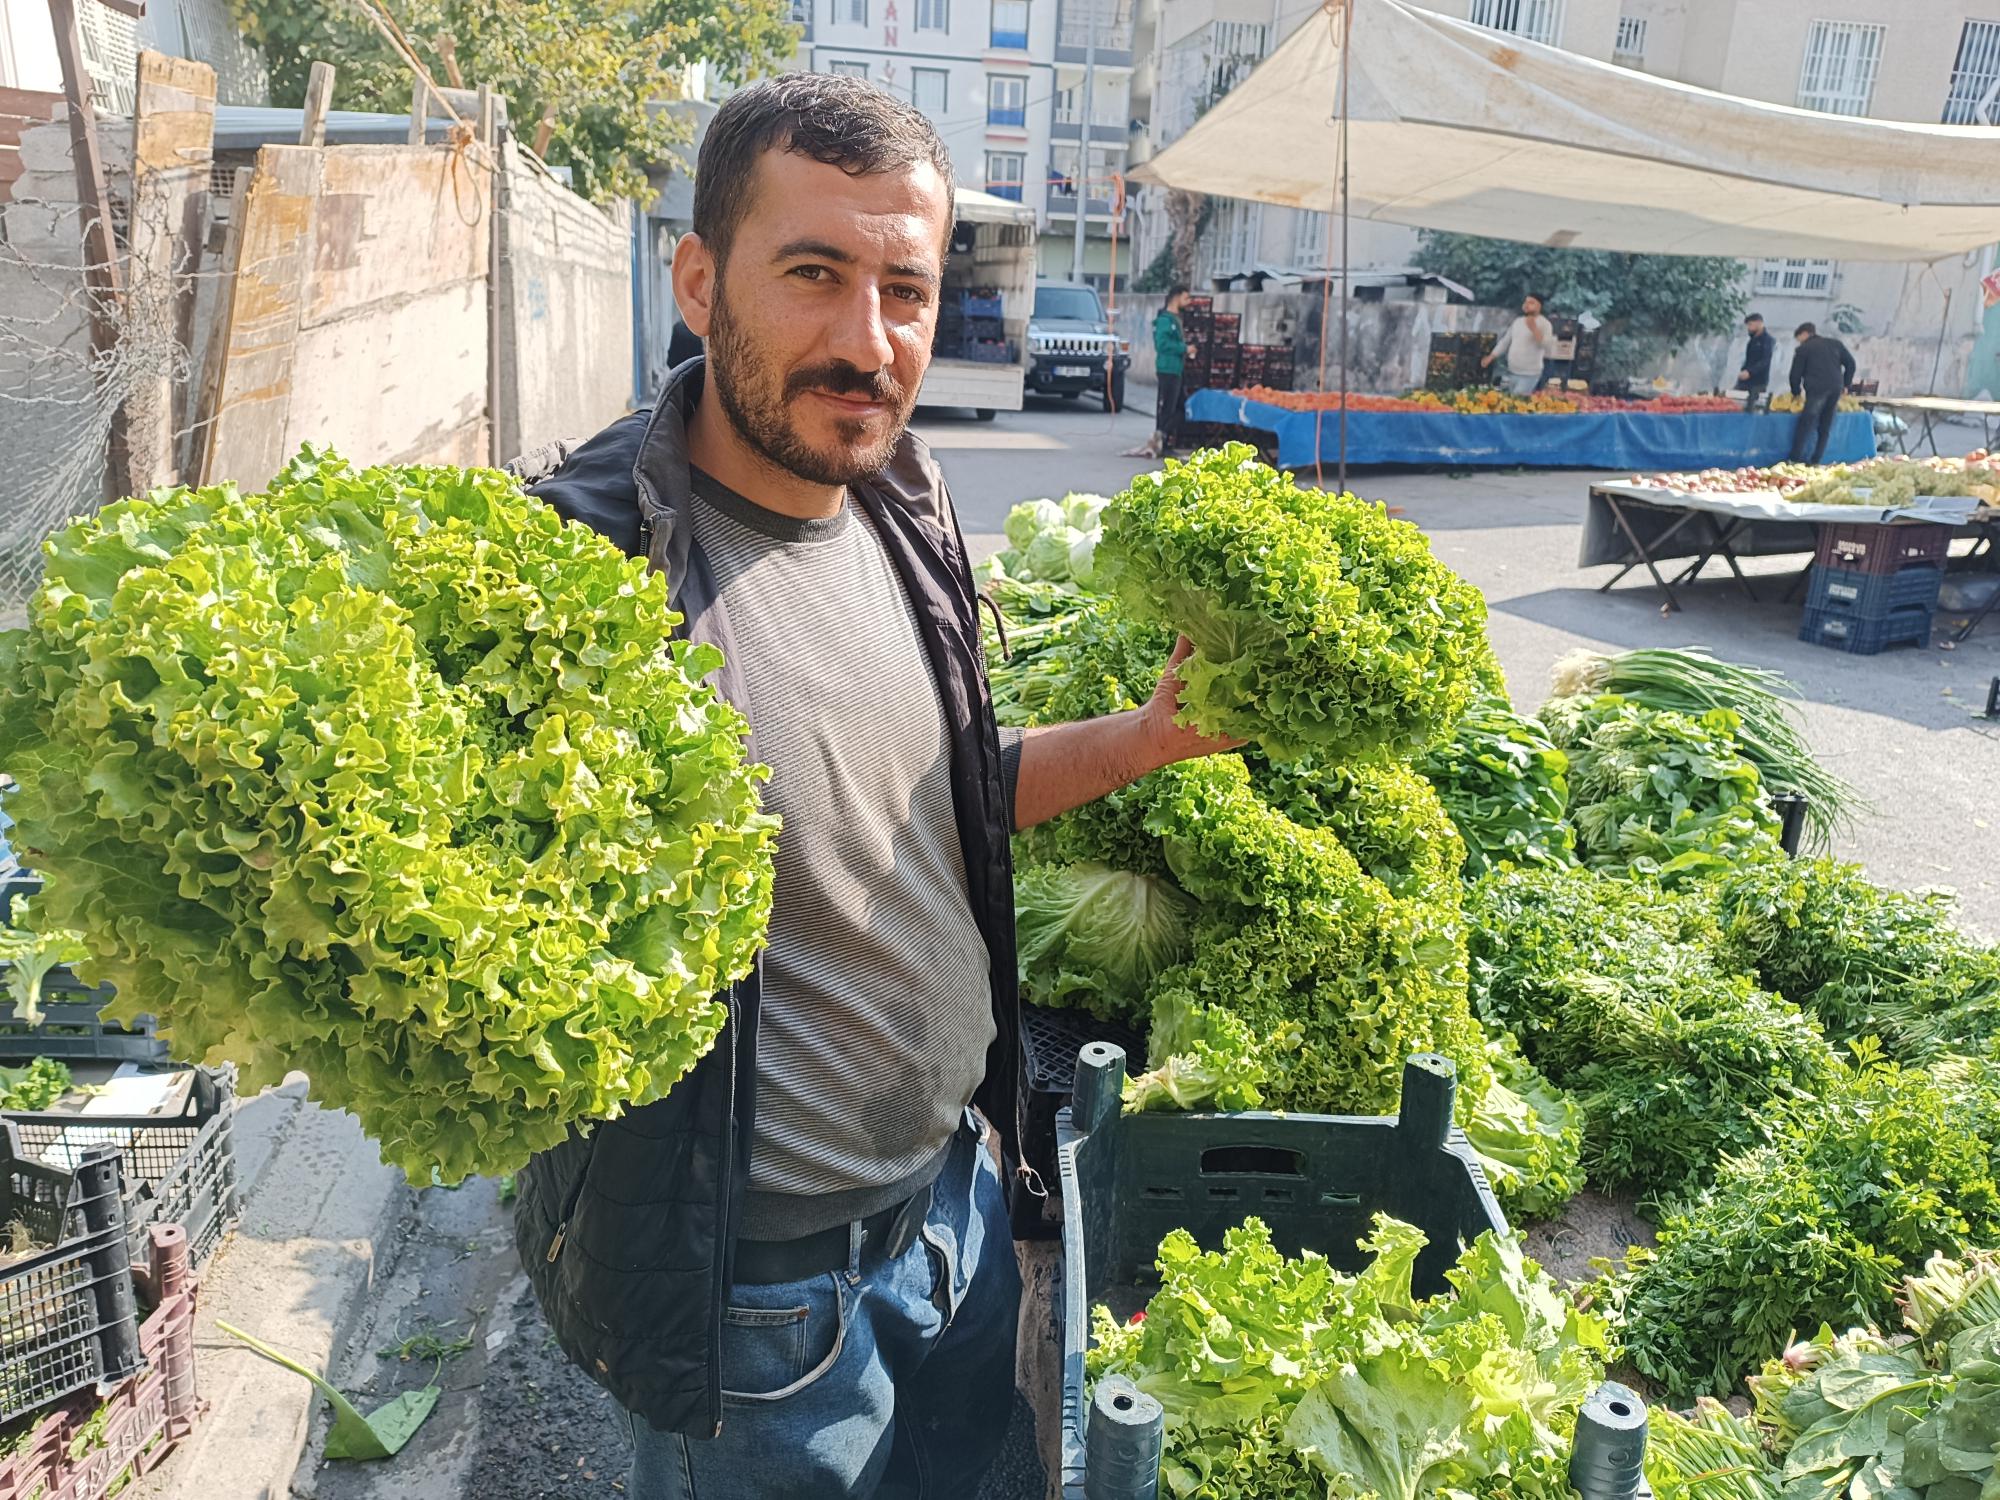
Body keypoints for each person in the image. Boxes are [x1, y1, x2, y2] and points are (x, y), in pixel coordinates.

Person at [505, 74, 1238, 1500]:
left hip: (956, 1215)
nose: (867, 341)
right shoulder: (586, 570)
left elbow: (943, 807)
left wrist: (1144, 739)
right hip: (763, 1308)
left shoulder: (903, 503)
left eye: (904, 290)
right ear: (700, 279)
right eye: (813, 274)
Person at [1125, 285, 1188, 458]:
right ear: (1176, 297)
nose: (1187, 302)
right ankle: (1161, 439)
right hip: (1168, 368)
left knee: (1180, 408)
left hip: (1177, 368)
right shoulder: (1165, 321)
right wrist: (1184, 348)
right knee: (1168, 408)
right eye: (1186, 298)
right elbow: (1162, 344)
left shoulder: (1175, 319)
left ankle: (1160, 436)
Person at [1787, 321, 1857, 463]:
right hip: (1836, 387)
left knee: (1806, 423)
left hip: (1817, 389)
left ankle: (1795, 458)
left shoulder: (1803, 349)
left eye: (1799, 338)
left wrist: (1796, 392)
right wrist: (1846, 384)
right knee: (1825, 424)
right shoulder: (1835, 344)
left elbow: (1795, 374)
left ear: (1805, 334)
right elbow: (1851, 364)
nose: (1799, 342)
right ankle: (1816, 459)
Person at [1480, 293, 1555, 396]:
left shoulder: (1545, 324)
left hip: (1530, 374)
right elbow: (1505, 342)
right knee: (1511, 400)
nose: (1527, 305)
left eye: (1531, 303)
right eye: (1526, 302)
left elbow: (1546, 346)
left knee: (1518, 398)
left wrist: (1534, 329)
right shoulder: (1518, 322)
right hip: (1512, 371)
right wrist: (1491, 357)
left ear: (1539, 306)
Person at [1736, 313, 1775, 412]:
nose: (1749, 328)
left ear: (1759, 323)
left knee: (1751, 407)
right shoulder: (1752, 340)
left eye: (1750, 325)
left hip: (1758, 381)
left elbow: (1765, 361)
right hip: (1745, 380)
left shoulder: (1767, 340)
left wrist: (1750, 372)